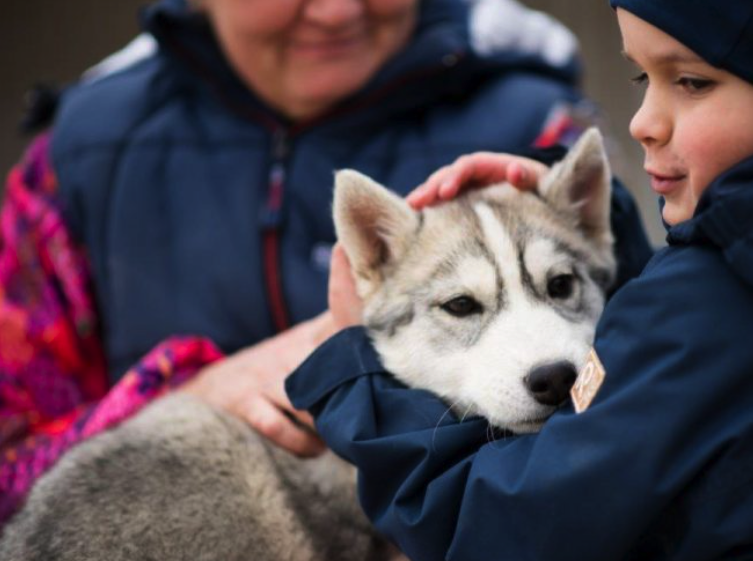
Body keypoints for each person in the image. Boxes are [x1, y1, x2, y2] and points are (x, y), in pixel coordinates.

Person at [285, 0, 753, 561]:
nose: (641, 121)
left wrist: (356, 375)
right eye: (641, 76)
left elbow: (501, 540)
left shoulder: (716, 307)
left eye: (694, 82)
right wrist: (586, 232)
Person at [0, 0, 654, 525]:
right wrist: (182, 401)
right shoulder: (80, 159)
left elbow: (637, 418)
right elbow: (10, 467)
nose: (339, 11)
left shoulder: (537, 126)